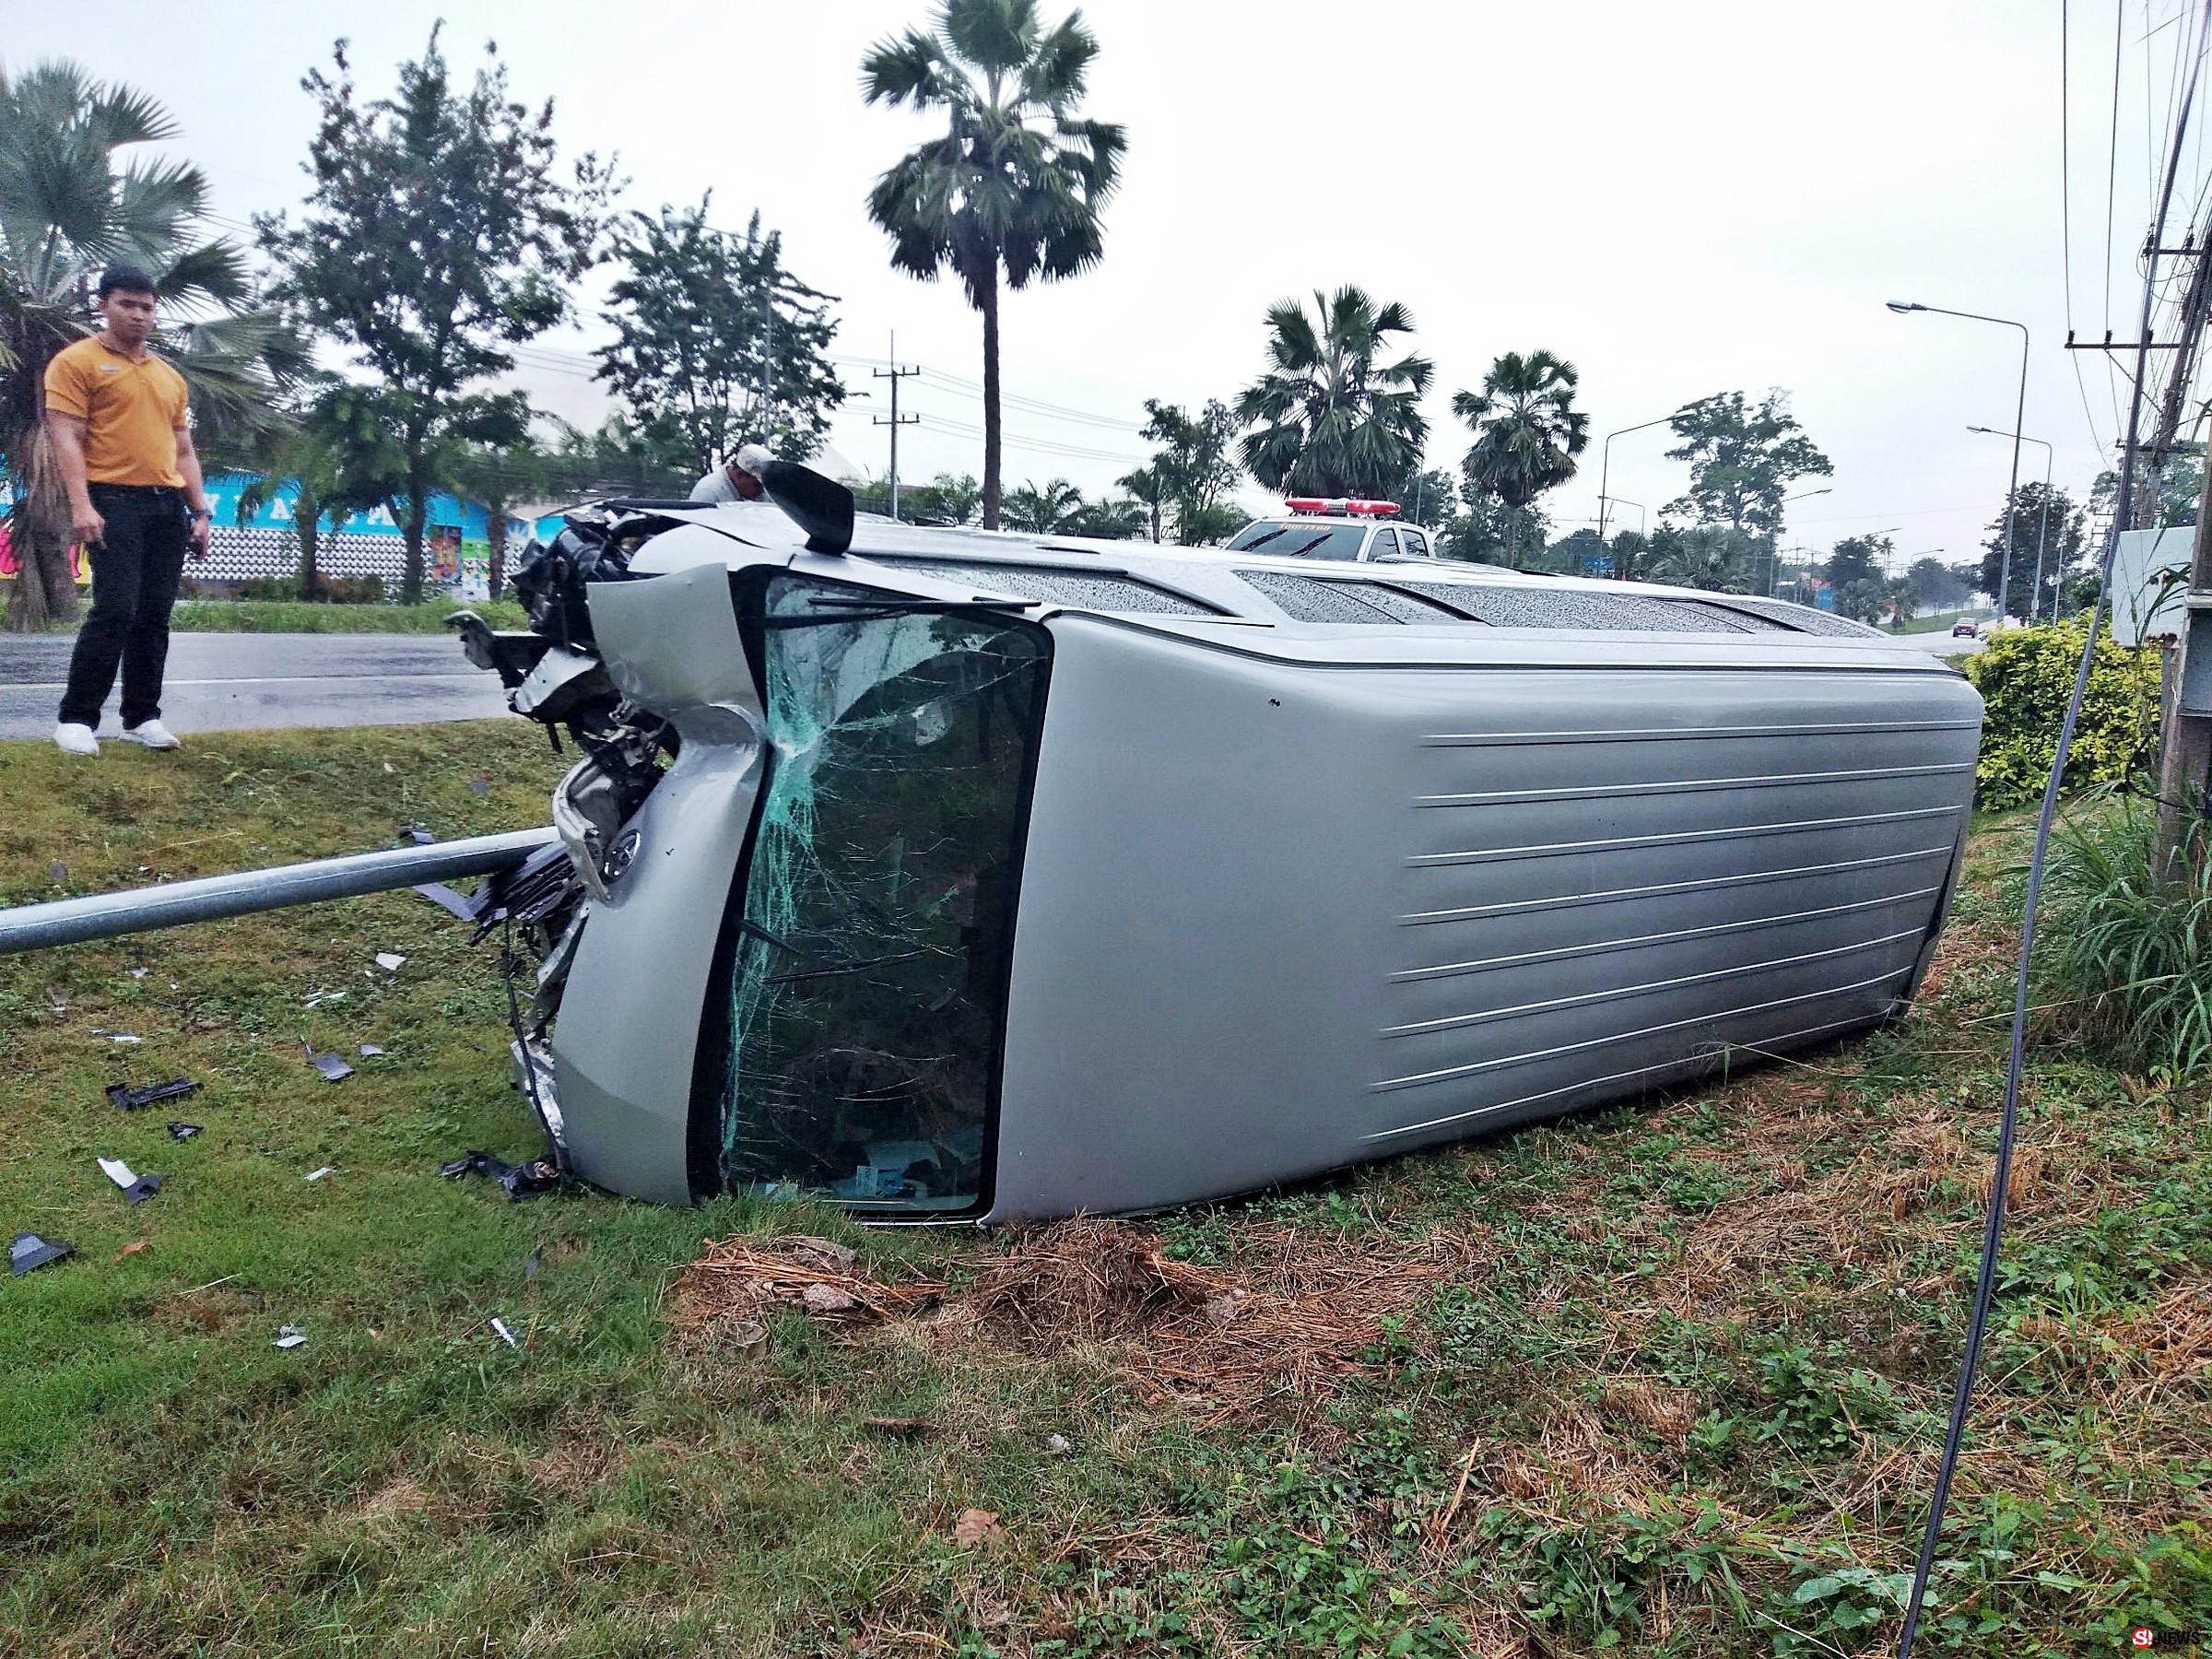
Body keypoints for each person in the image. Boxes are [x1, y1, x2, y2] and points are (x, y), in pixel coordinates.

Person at [44, 265, 213, 756]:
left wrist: (200, 513)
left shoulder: (168, 377)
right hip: (112, 500)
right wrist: (82, 505)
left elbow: (183, 450)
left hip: (167, 506)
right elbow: (67, 439)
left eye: (147, 306)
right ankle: (76, 719)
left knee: (155, 616)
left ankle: (142, 718)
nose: (138, 315)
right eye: (127, 304)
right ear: (104, 304)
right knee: (116, 609)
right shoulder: (77, 362)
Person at [688, 452, 766, 505]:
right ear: (740, 475)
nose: (762, 491)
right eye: (757, 485)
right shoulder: (709, 492)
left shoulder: (742, 491)